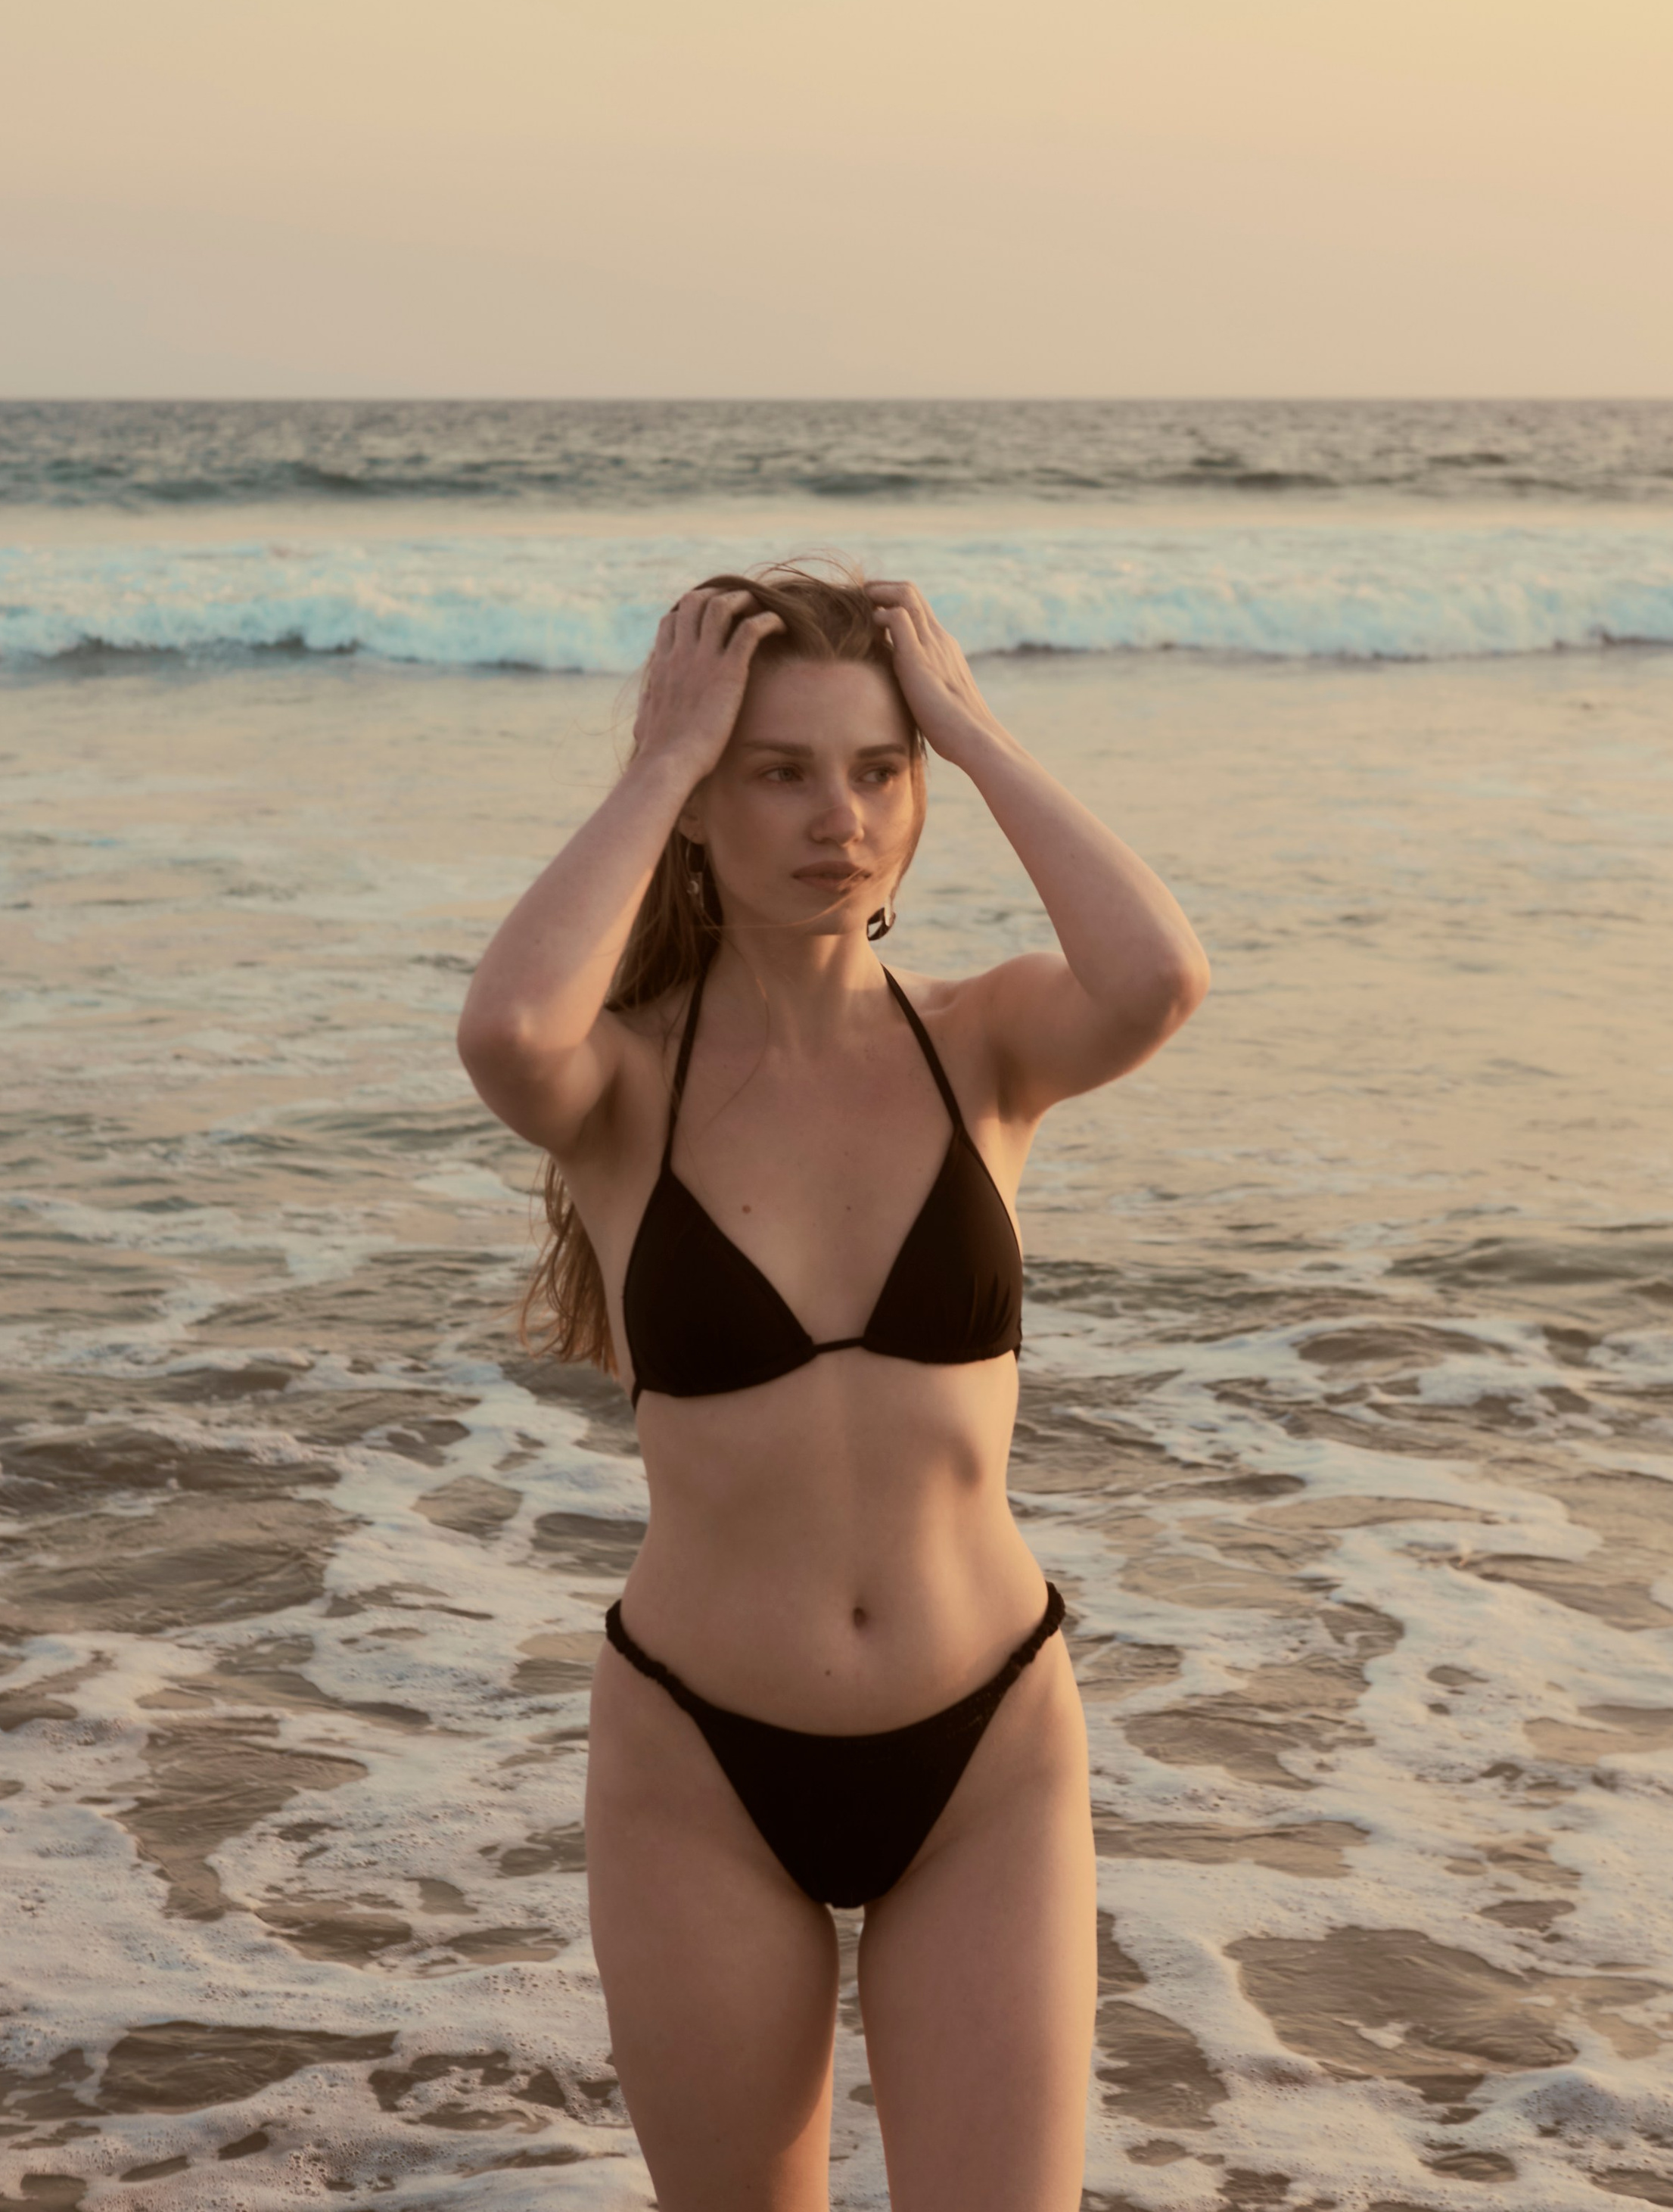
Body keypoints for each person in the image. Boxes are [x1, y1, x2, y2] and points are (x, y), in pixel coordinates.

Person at [458, 565, 1209, 2212]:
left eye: (877, 770)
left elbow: (1157, 976)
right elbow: (509, 1023)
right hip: (697, 1764)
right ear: (702, 796)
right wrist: (655, 763)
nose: (838, 816)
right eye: (776, 769)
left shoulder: (986, 1040)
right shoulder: (622, 1082)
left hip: (987, 1746)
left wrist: (970, 724)